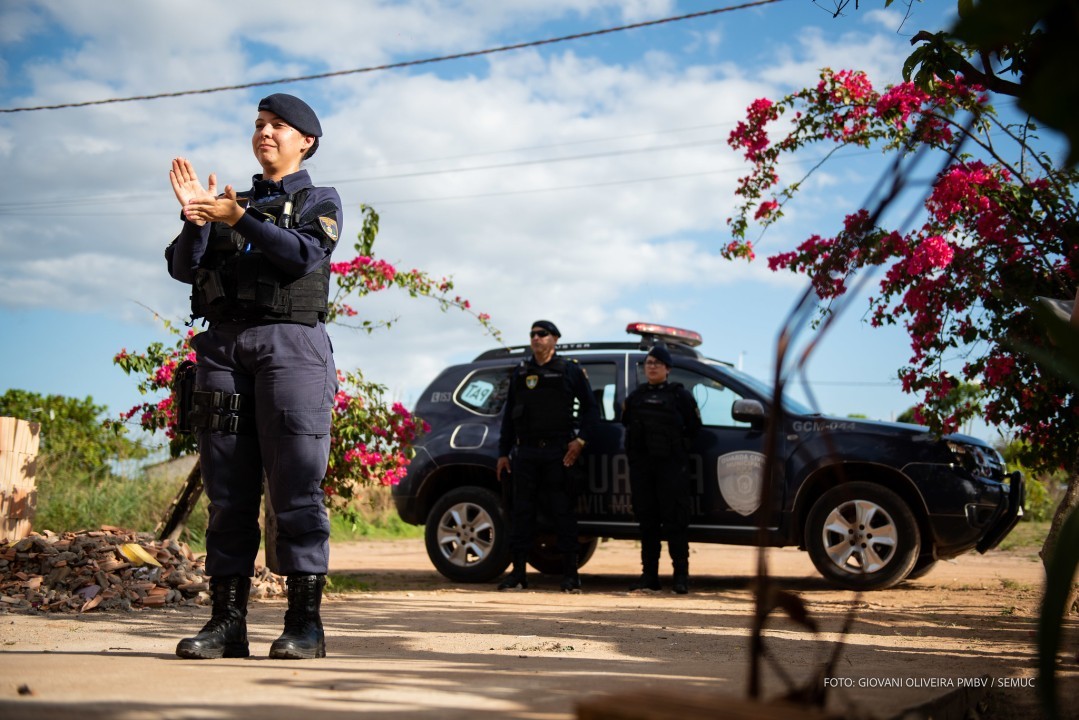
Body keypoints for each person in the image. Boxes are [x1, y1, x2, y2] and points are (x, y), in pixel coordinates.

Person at [165, 93, 342, 660]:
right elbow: (180, 266)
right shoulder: (225, 204)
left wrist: (238, 216)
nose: (264, 132)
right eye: (259, 124)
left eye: (278, 126)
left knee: (296, 486)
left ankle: (304, 625)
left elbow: (300, 256)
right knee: (228, 492)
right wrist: (196, 217)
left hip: (292, 345)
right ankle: (227, 624)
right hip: (223, 348)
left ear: (305, 141)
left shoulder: (318, 199)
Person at [496, 320, 599, 592]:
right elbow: (508, 416)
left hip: (558, 452)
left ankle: (570, 576)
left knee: (562, 512)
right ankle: (518, 574)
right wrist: (503, 453)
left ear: (554, 339)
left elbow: (591, 410)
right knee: (521, 513)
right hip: (525, 452)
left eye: (542, 334)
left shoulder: (569, 370)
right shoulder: (521, 371)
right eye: (532, 334)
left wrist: (580, 441)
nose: (536, 338)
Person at [621, 344, 701, 594]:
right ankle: (649, 576)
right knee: (647, 523)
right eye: (648, 362)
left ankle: (680, 577)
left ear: (667, 368)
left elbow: (694, 428)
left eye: (657, 362)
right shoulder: (635, 397)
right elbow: (627, 428)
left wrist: (678, 450)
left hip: (671, 468)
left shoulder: (680, 396)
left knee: (675, 522)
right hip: (644, 470)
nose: (652, 366)